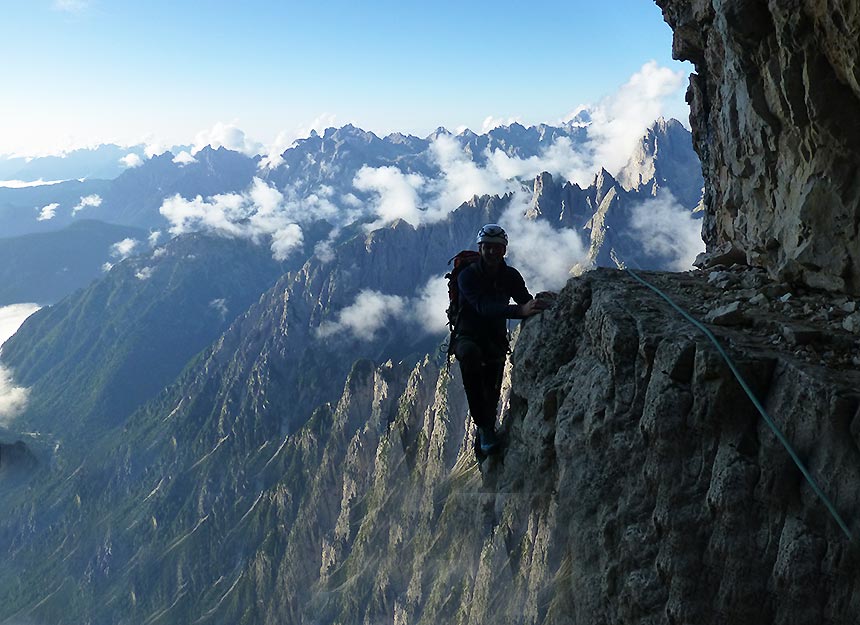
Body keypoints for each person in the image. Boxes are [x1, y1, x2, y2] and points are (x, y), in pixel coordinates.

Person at [452, 223, 553, 456]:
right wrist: (519, 312)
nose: (492, 252)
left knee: (492, 391)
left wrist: (541, 303)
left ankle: (486, 436)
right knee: (470, 359)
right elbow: (482, 306)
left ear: (504, 250)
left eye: (496, 247)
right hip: (468, 337)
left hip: (494, 340)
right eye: (487, 247)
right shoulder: (467, 276)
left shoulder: (510, 276)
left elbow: (524, 299)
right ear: (480, 248)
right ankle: (485, 429)